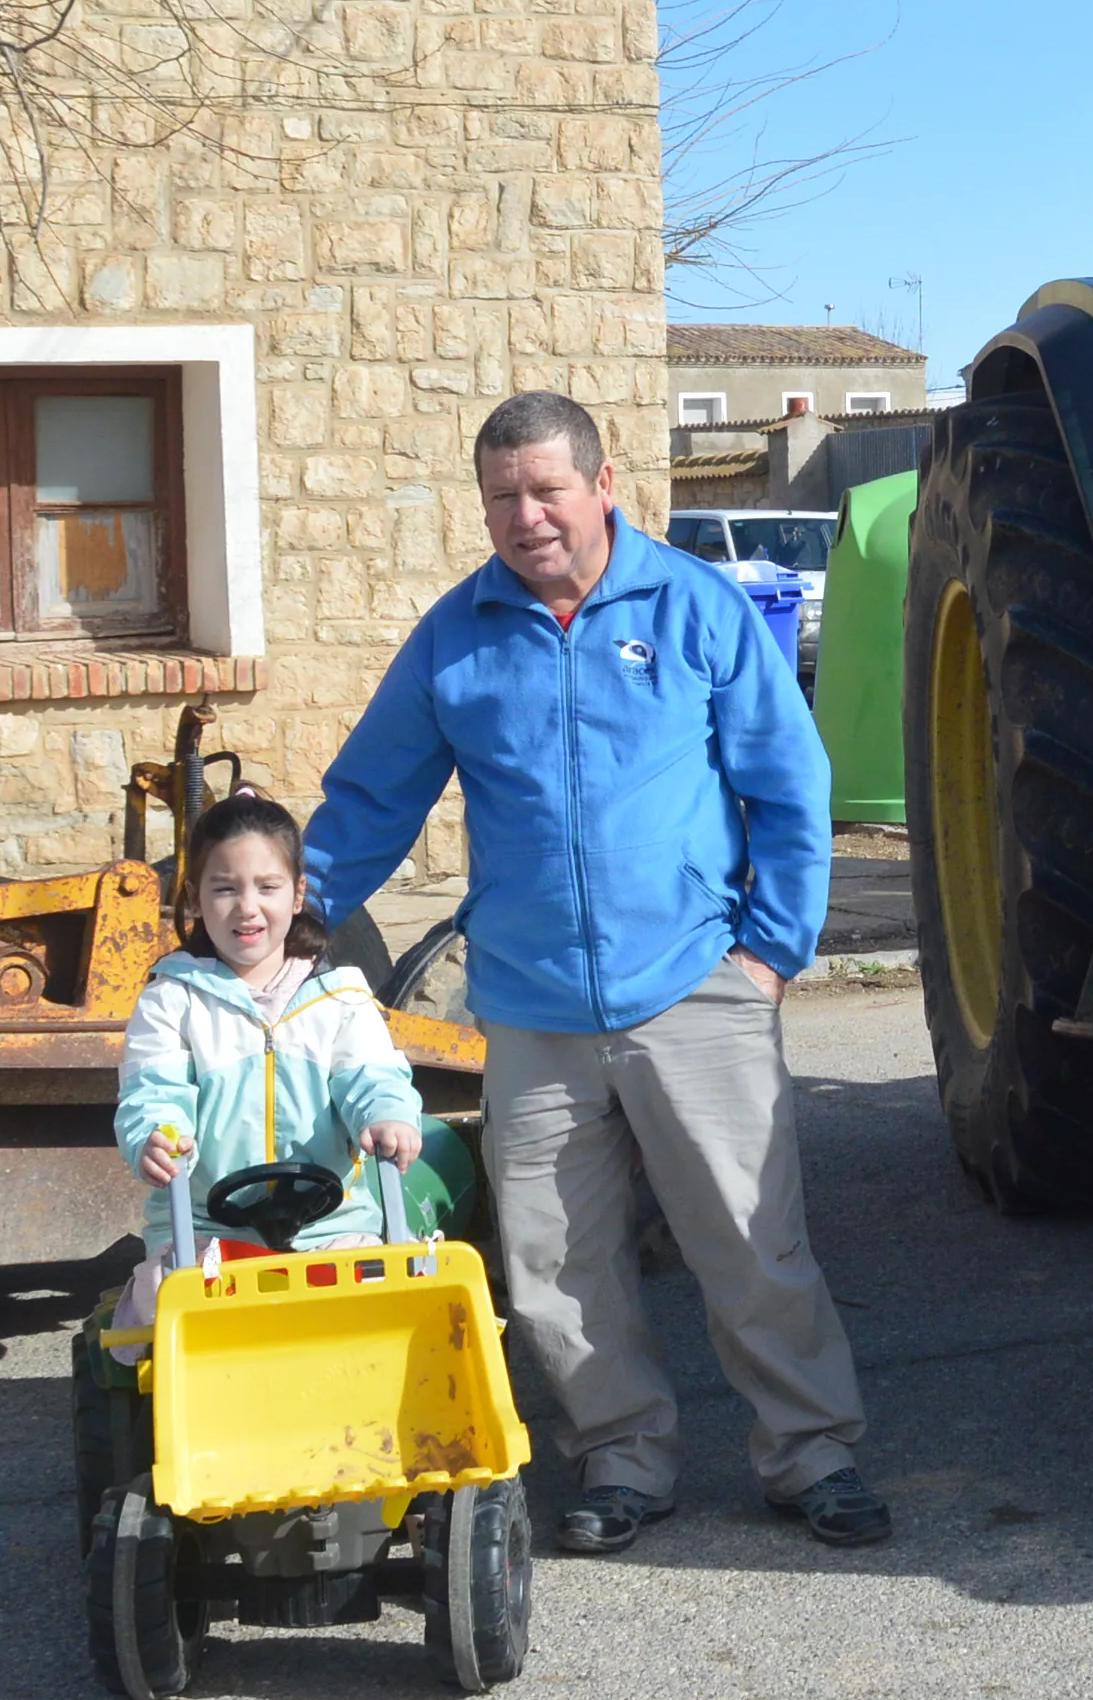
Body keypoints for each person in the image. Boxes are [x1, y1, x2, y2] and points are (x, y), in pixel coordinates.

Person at [302, 387, 884, 1553]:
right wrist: (286, 918)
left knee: (750, 1240)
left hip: (696, 984)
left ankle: (812, 1455)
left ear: (603, 486)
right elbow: (373, 794)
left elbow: (789, 783)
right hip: (529, 1004)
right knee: (557, 1264)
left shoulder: (693, 607)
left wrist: (773, 949)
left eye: (547, 491)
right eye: (502, 498)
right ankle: (622, 1460)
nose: (527, 519)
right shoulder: (455, 636)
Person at [109, 792, 474, 1324]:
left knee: (396, 1301)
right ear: (194, 898)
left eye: (267, 887)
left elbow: (371, 1073)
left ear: (298, 893)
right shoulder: (172, 1000)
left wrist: (386, 1114)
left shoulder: (339, 997)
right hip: (209, 1231)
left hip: (330, 1226)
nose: (247, 907)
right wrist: (157, 1135)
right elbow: (153, 1089)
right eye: (225, 889)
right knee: (164, 1310)